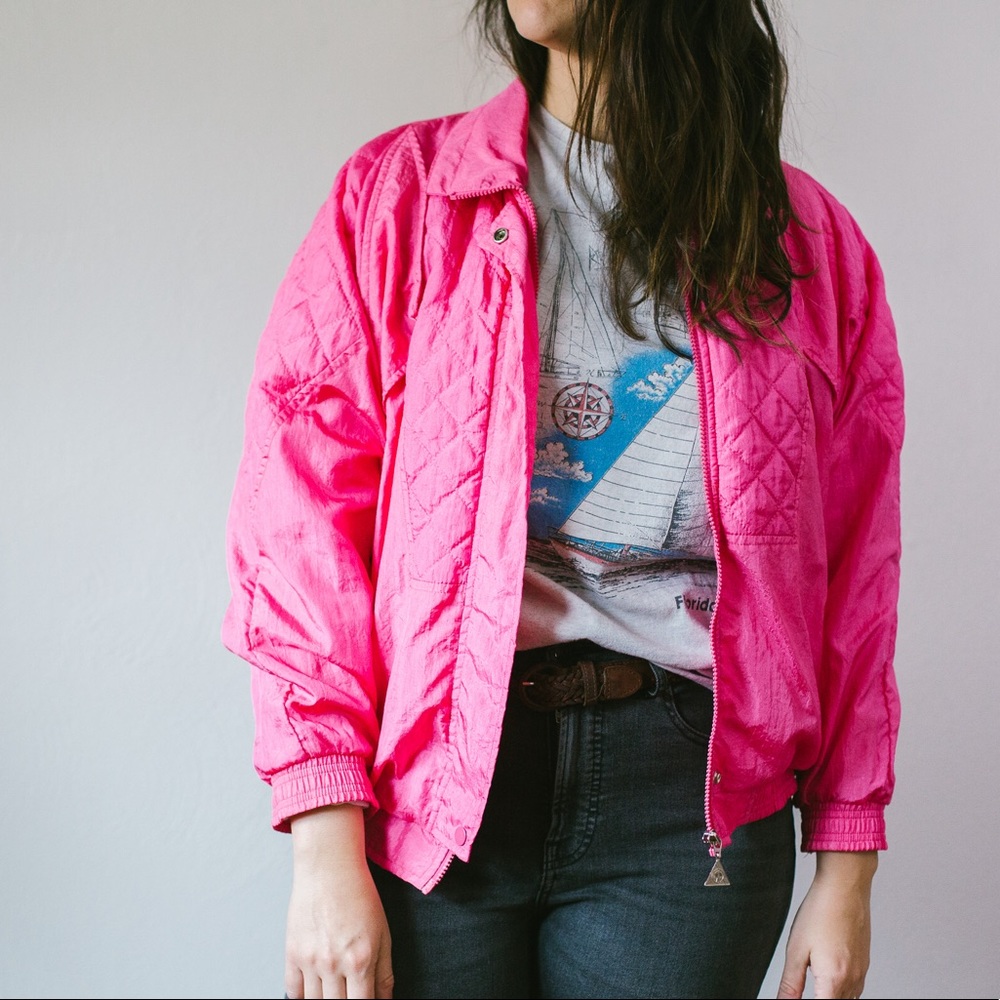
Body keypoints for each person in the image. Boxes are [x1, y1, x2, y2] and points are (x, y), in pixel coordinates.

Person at [222, 2, 903, 997]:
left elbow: (855, 567)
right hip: (440, 786)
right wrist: (323, 840)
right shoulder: (400, 199)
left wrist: (847, 867)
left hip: (692, 807)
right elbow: (298, 522)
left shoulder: (805, 248)